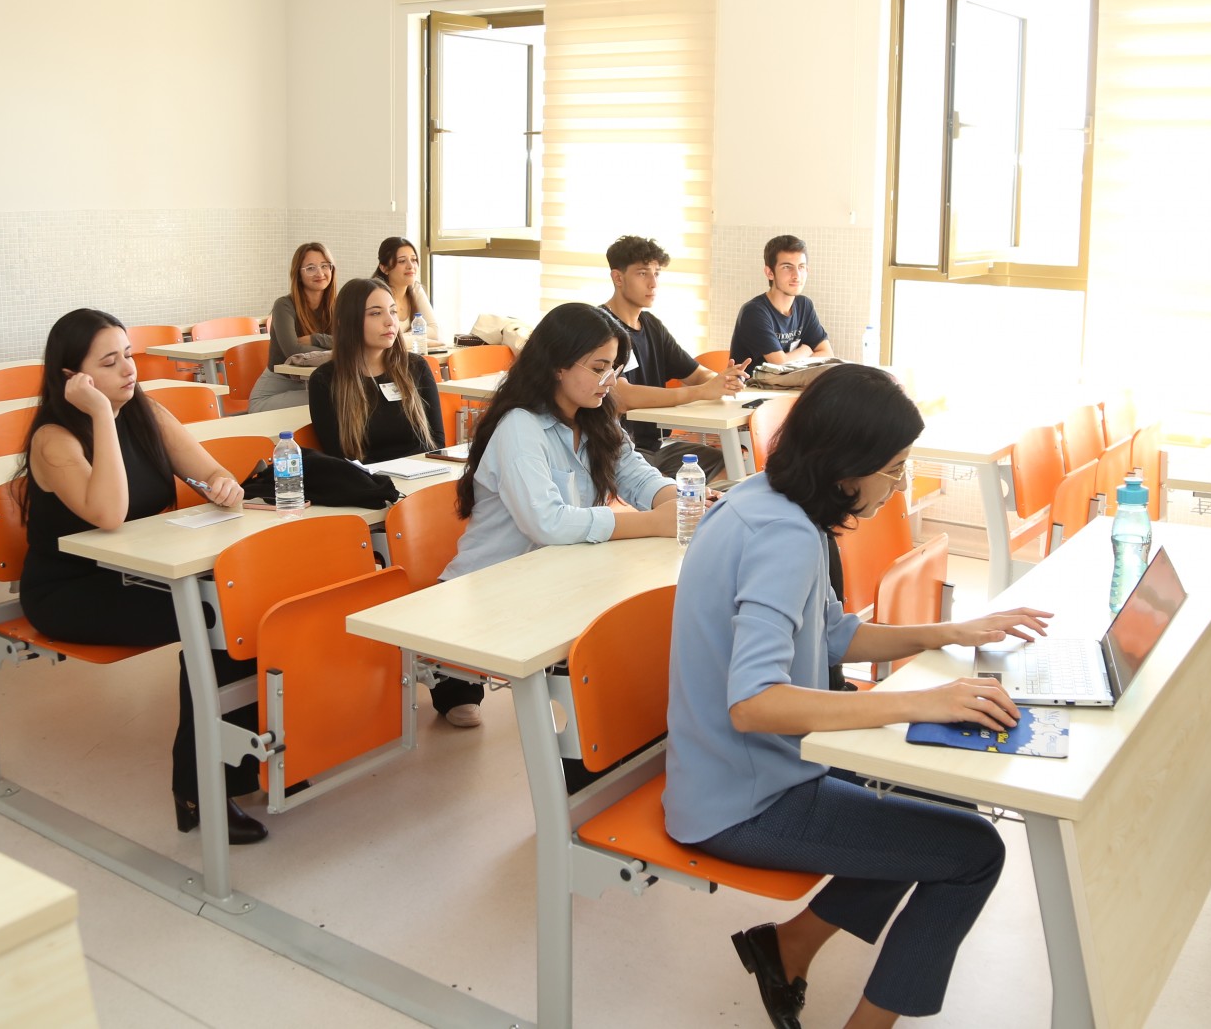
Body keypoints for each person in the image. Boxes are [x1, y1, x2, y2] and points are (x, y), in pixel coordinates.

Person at [665, 364, 1051, 1029]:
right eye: (894, 470)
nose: (897, 485)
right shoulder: (785, 536)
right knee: (975, 853)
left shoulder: (766, 501)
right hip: (745, 800)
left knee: (944, 797)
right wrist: (920, 702)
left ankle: (788, 946)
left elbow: (831, 632)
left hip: (739, 771)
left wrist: (950, 631)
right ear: (846, 465)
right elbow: (754, 704)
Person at [16, 308, 268, 844]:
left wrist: (222, 485)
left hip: (140, 571)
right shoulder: (54, 440)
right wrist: (101, 415)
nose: (129, 370)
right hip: (73, 590)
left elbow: (209, 470)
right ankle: (200, 789)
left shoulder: (146, 411)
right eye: (109, 363)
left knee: (244, 610)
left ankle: (245, 766)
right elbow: (108, 513)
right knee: (214, 622)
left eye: (128, 355)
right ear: (72, 378)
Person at [436, 302, 682, 729]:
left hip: (557, 576)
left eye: (615, 368)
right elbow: (546, 523)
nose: (611, 381)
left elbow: (636, 474)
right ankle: (454, 676)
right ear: (557, 366)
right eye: (599, 368)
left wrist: (679, 499)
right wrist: (652, 522)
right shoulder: (520, 427)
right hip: (493, 586)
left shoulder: (594, 417)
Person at [600, 234, 749, 476]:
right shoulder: (601, 328)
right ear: (618, 277)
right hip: (618, 451)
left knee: (732, 465)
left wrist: (722, 381)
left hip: (656, 448)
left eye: (656, 273)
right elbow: (622, 396)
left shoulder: (651, 325)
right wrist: (701, 392)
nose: (653, 284)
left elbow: (696, 373)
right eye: (642, 273)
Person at [307, 279, 444, 463]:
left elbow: (437, 443)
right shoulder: (325, 380)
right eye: (376, 313)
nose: (390, 321)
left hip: (422, 473)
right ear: (346, 322)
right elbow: (340, 458)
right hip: (367, 479)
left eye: (393, 311)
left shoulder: (416, 367)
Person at [249, 242, 336, 412]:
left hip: (311, 386)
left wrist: (316, 339)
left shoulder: (338, 305)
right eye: (310, 268)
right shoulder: (284, 305)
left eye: (325, 266)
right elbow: (293, 351)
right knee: (331, 399)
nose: (320, 273)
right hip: (272, 394)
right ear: (298, 274)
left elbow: (351, 343)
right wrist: (336, 350)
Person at [731, 234, 831, 375]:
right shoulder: (754, 312)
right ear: (770, 273)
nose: (796, 275)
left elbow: (827, 354)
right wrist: (806, 349)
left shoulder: (804, 305)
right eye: (787, 267)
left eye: (801, 267)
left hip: (790, 385)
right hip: (753, 387)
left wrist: (794, 358)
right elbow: (780, 366)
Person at [376, 236, 445, 348]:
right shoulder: (376, 295)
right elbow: (384, 340)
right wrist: (422, 340)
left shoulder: (415, 289)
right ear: (384, 268)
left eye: (413, 260)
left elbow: (434, 331)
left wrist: (403, 338)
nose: (410, 266)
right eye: (402, 261)